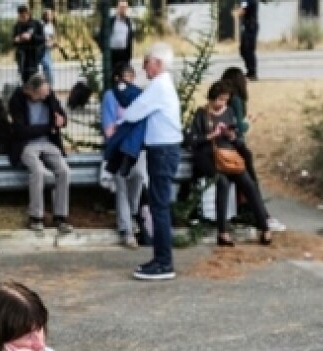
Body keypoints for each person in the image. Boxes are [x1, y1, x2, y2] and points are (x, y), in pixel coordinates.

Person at [114, 42, 182, 281]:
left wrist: (120, 121)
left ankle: (164, 262)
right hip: (164, 150)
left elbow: (133, 112)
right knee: (158, 206)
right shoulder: (163, 85)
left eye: (147, 62)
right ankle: (161, 258)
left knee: (159, 208)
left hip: (162, 151)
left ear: (158, 63)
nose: (144, 67)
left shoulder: (159, 86)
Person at [190, 82, 277, 247]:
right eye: (220, 99)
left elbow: (236, 137)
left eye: (225, 100)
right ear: (212, 98)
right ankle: (222, 232)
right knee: (222, 182)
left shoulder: (229, 112)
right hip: (209, 157)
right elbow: (193, 140)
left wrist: (231, 136)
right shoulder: (202, 114)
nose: (222, 103)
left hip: (229, 155)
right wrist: (211, 135)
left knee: (249, 184)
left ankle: (264, 227)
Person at [220, 66, 285, 232]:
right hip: (237, 146)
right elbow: (239, 126)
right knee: (251, 183)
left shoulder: (225, 99)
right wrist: (248, 122)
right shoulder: (236, 100)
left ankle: (252, 214)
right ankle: (263, 217)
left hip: (226, 147)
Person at [8, 73, 72, 234]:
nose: (45, 96)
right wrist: (49, 128)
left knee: (63, 171)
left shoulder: (49, 96)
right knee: (37, 171)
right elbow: (21, 131)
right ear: (31, 91)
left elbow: (61, 116)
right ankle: (36, 217)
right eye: (42, 94)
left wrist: (62, 121)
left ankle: (60, 216)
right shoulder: (17, 100)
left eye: (47, 92)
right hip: (27, 144)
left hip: (48, 143)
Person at [101, 62, 150, 248]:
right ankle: (126, 229)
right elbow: (109, 127)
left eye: (132, 77)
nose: (130, 81)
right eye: (126, 77)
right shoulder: (111, 95)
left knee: (137, 179)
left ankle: (131, 216)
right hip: (120, 147)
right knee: (121, 185)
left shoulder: (137, 95)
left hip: (137, 147)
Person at [11, 4, 45, 85]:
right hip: (22, 55)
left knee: (33, 76)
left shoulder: (36, 24)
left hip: (33, 54)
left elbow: (42, 39)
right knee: (24, 76)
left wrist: (31, 37)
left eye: (24, 15)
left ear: (28, 14)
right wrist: (17, 40)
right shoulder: (17, 26)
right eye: (20, 15)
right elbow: (13, 41)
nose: (22, 17)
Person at [106, 1, 133, 74]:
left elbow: (129, 37)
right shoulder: (111, 20)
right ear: (117, 8)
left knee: (124, 74)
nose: (123, 9)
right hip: (113, 53)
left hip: (124, 53)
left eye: (124, 8)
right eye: (121, 7)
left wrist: (129, 54)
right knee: (113, 74)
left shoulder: (128, 21)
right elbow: (103, 35)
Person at [236, 0, 259, 81]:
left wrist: (236, 12)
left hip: (250, 26)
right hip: (248, 26)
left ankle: (252, 72)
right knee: (243, 50)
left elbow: (242, 11)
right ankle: (250, 71)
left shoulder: (247, 0)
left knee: (248, 49)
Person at [39, 8, 55, 87]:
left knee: (48, 69)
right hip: (39, 50)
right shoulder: (40, 24)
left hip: (47, 50)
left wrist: (52, 44)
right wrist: (45, 40)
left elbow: (51, 38)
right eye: (48, 15)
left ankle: (49, 87)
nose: (50, 16)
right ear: (44, 16)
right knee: (47, 68)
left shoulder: (51, 25)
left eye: (51, 15)